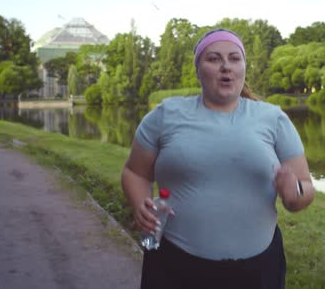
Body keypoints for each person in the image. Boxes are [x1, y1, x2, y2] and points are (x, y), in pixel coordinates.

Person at [121, 29, 314, 289]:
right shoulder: (166, 114)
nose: (226, 67)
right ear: (198, 68)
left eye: (235, 58)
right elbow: (136, 173)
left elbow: (305, 186)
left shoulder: (273, 118)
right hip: (174, 266)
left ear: (244, 67)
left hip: (258, 270)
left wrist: (295, 193)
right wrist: (140, 205)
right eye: (214, 59)